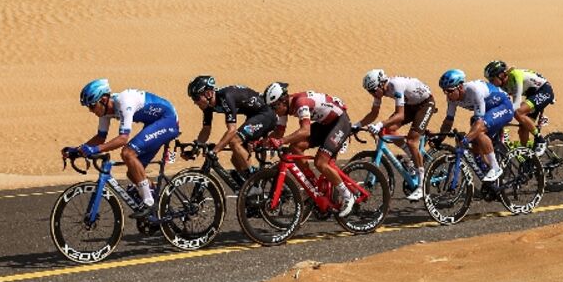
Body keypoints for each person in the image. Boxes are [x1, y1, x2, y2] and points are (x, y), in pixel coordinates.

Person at [63, 79, 181, 214]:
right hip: (154, 123)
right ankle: (160, 207)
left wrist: (95, 149)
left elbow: (123, 139)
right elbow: (100, 138)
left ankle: (148, 203)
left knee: (127, 153)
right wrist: (77, 150)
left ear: (104, 99)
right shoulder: (105, 112)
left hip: (168, 120)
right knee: (133, 173)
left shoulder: (124, 102)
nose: (90, 110)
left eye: (92, 106)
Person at [264, 82, 356, 217]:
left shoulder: (300, 103)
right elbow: (279, 132)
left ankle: (348, 195)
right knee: (295, 147)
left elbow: (305, 131)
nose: (273, 111)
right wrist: (262, 143)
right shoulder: (284, 107)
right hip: (325, 124)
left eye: (274, 107)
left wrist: (281, 141)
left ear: (282, 101)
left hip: (340, 123)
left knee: (320, 162)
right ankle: (312, 185)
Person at [356, 69, 436, 201]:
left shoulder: (395, 85)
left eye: (373, 90)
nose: (373, 94)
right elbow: (373, 113)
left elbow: (400, 115)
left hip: (425, 104)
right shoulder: (379, 91)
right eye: (370, 92)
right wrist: (357, 125)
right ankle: (413, 158)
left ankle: (421, 186)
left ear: (381, 84)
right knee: (388, 130)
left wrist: (379, 124)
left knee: (411, 141)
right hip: (410, 104)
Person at [186, 75, 277, 188]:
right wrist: (196, 148)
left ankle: (254, 181)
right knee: (235, 159)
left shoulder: (225, 97)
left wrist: (215, 151)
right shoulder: (208, 106)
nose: (195, 102)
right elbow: (206, 129)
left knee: (234, 141)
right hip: (254, 116)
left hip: (266, 115)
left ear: (208, 93)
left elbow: (232, 130)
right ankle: (250, 188)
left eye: (196, 98)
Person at [436, 68, 514, 183]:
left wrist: (466, 140)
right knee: (475, 143)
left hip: (503, 106)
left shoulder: (474, 90)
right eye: (444, 91)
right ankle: (488, 172)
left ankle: (495, 168)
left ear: (460, 87)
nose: (447, 94)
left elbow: (479, 123)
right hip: (488, 111)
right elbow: (448, 120)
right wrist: (439, 139)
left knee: (478, 132)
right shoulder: (451, 97)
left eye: (450, 91)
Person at [484, 60, 555, 157]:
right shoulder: (502, 85)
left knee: (518, 112)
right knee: (523, 130)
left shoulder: (515, 76)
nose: (491, 82)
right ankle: (528, 158)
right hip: (531, 95)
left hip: (544, 91)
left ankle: (540, 140)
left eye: (492, 79)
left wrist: (502, 116)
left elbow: (516, 103)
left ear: (501, 75)